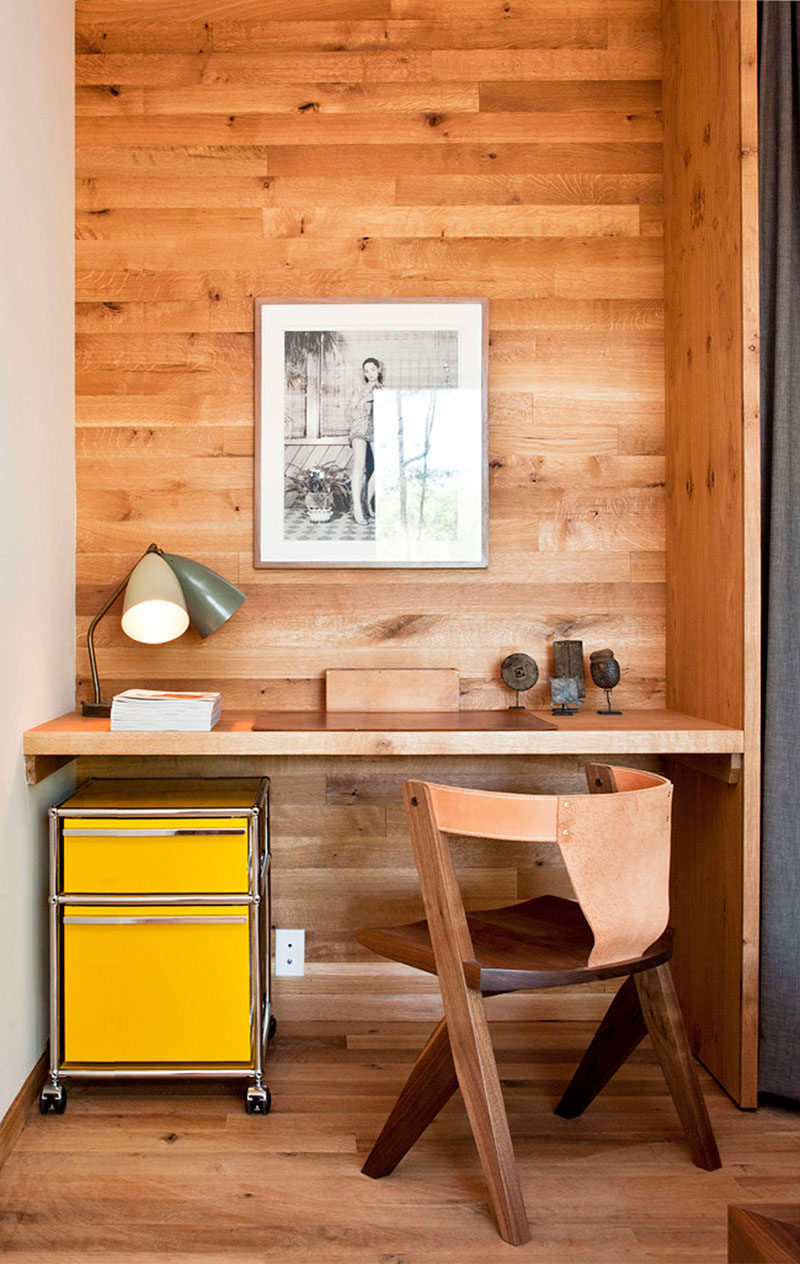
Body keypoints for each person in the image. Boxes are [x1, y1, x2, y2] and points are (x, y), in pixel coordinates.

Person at [348, 356, 380, 525]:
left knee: (380, 466)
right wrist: (364, 398)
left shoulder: (383, 389)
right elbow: (351, 411)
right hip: (360, 427)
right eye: (366, 371)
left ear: (378, 369)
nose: (370, 374)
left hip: (376, 428)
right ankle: (357, 509)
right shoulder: (360, 389)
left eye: (373, 369)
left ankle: (367, 503)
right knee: (360, 465)